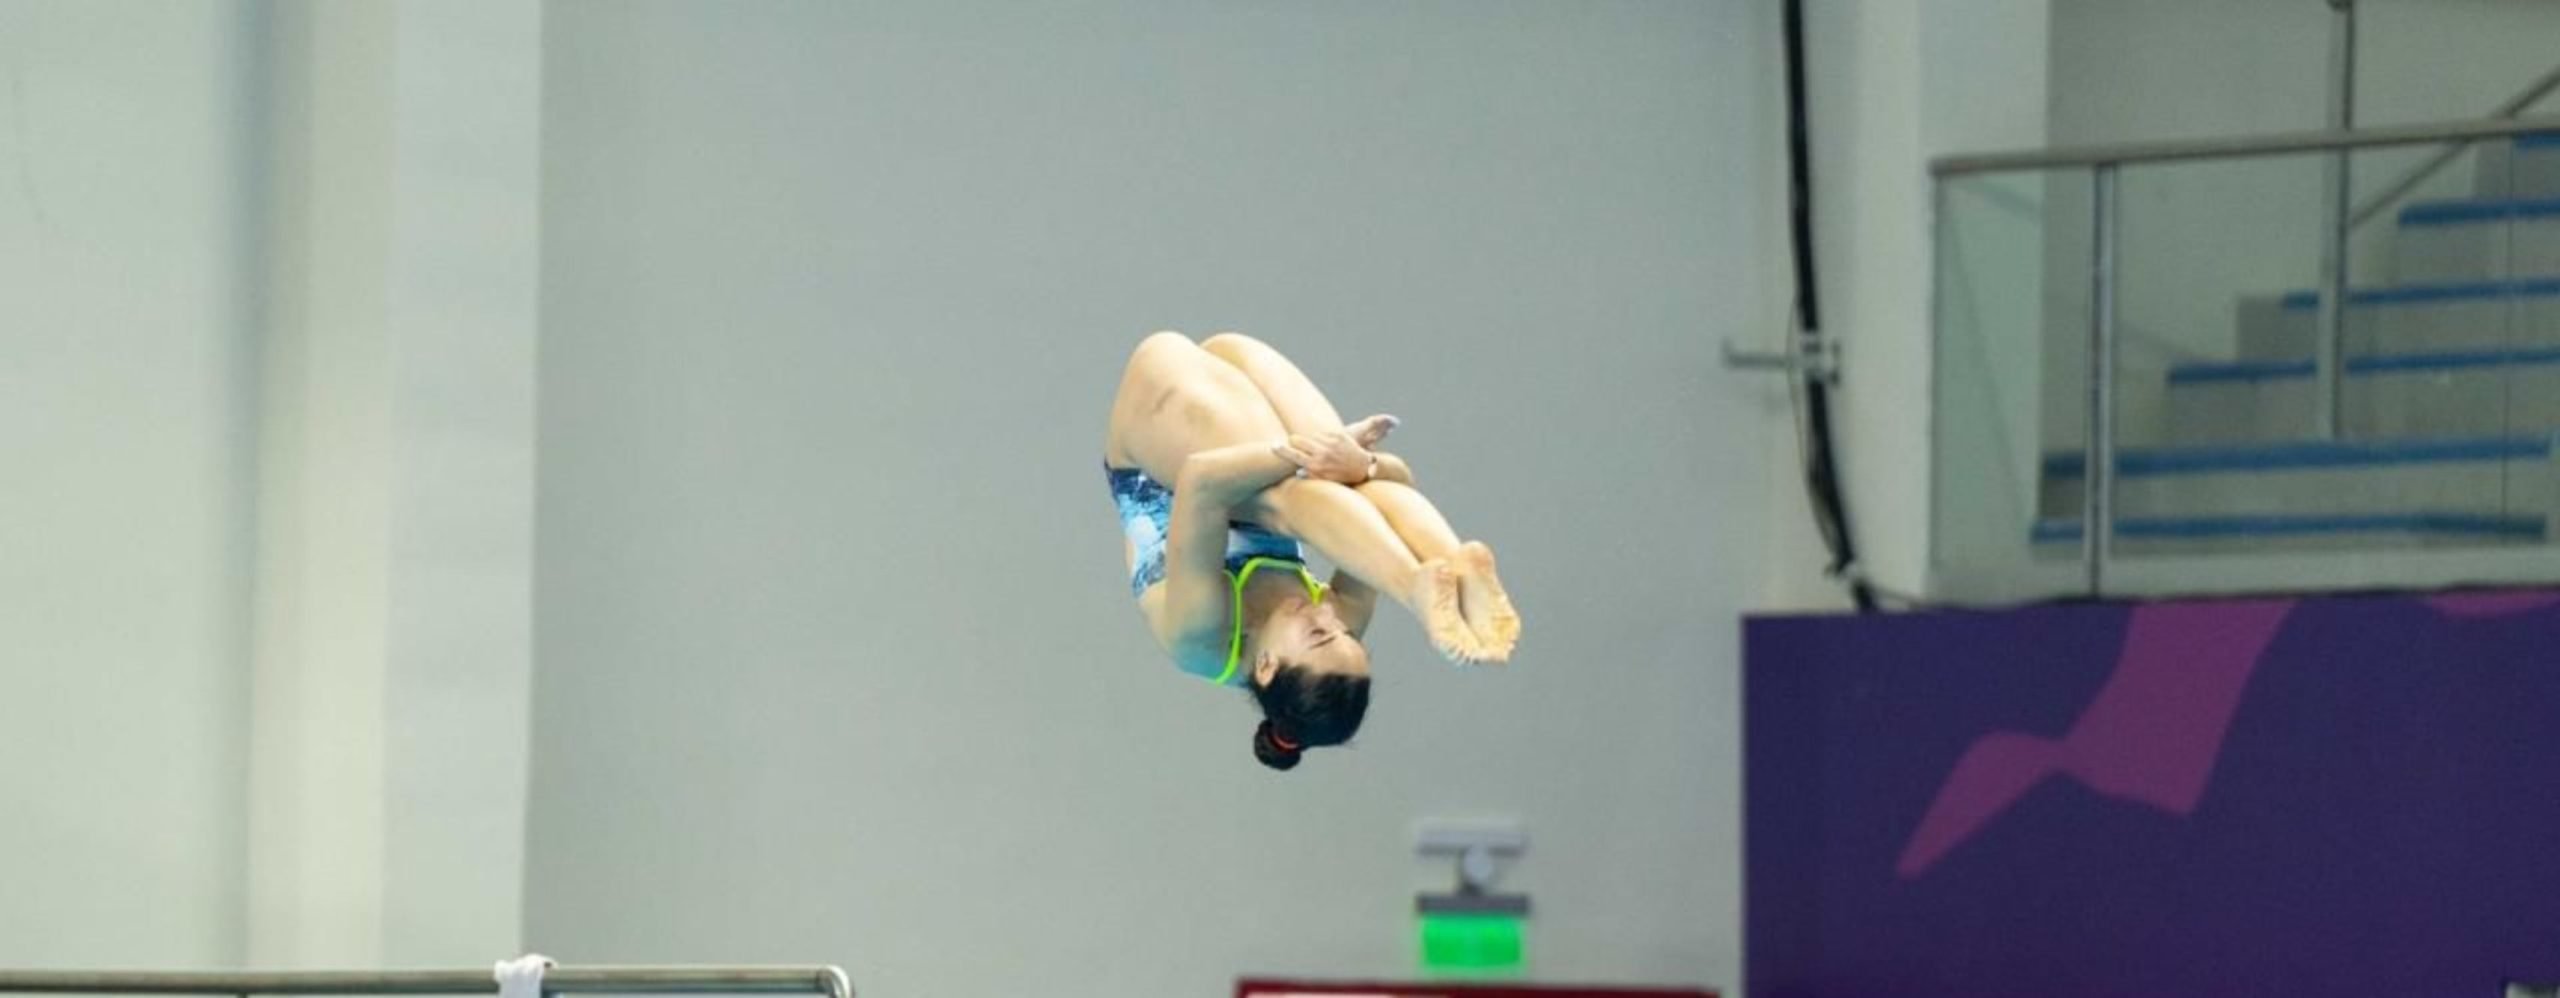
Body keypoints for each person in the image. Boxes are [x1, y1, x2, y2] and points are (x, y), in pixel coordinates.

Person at [1103, 332, 1518, 770]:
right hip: (1245, 432)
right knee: (1353, 486)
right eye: (1343, 633)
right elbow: (1395, 486)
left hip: (1157, 449)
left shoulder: (1202, 637)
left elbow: (1202, 483)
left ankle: (1417, 589)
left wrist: (1311, 455)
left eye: (1319, 635)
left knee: (1290, 499)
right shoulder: (1338, 619)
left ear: (1265, 666)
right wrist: (1366, 463)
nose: (1327, 614)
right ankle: (1456, 570)